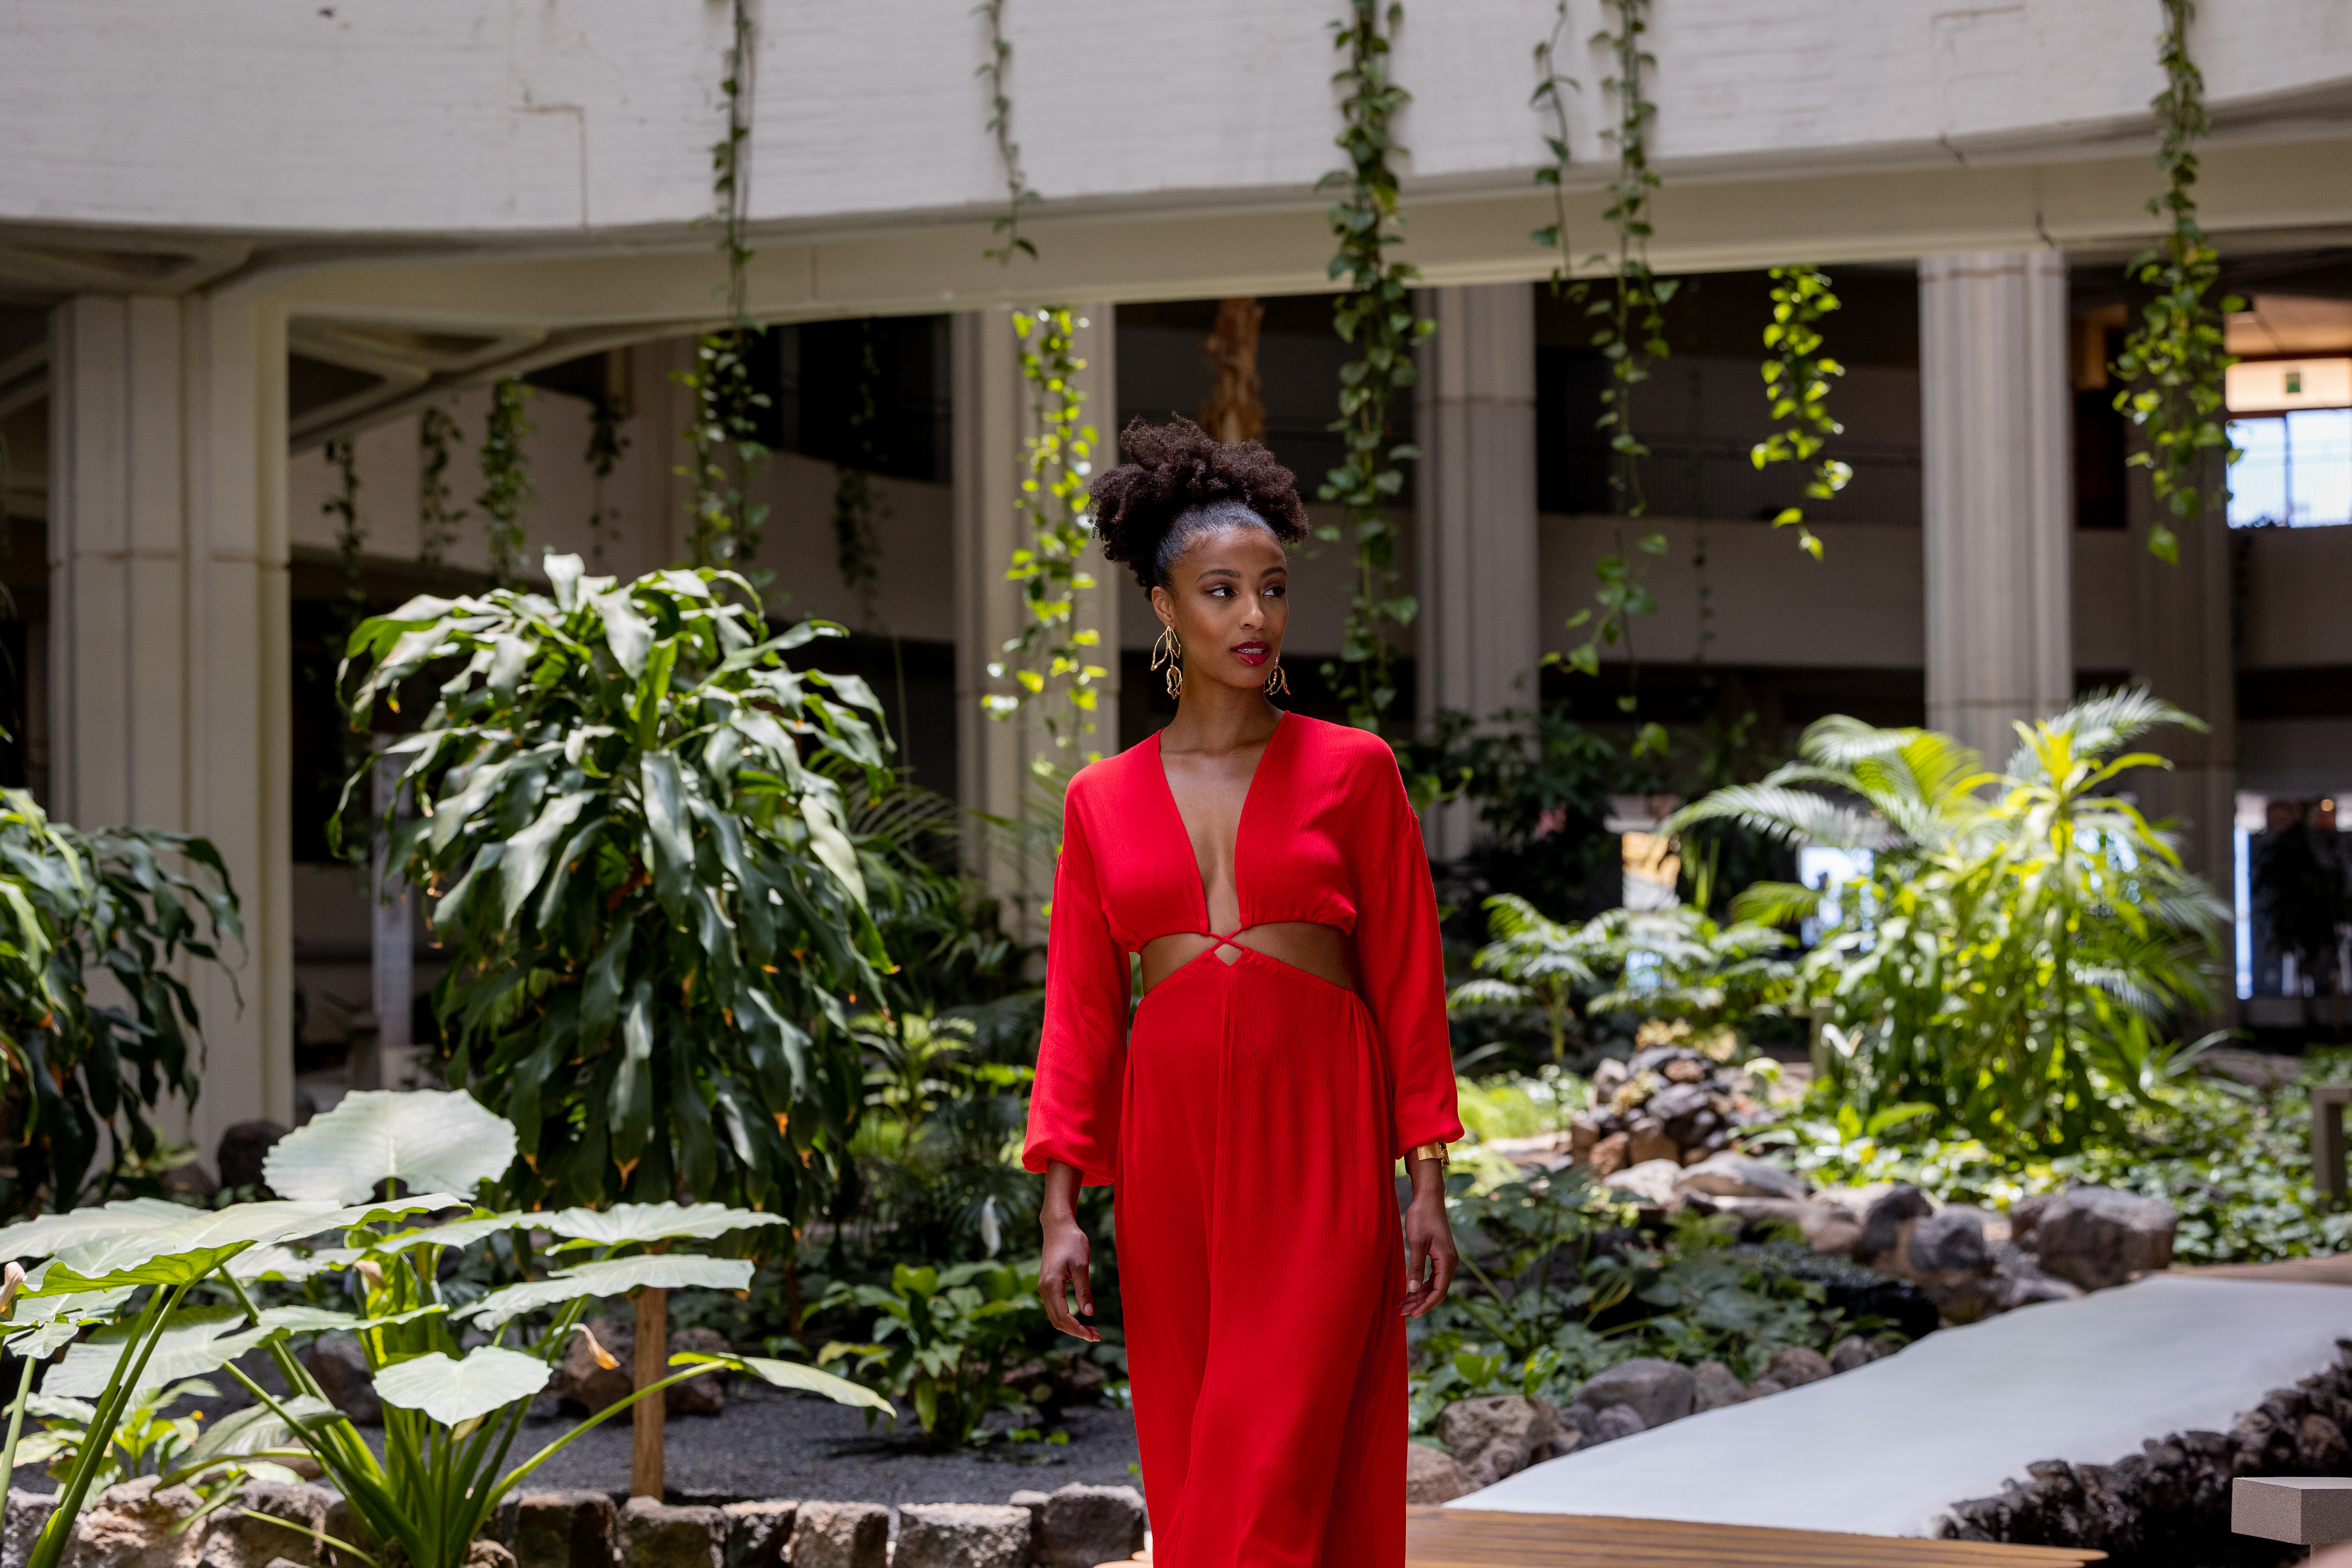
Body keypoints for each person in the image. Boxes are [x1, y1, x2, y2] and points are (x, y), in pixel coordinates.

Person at [1024, 417, 1463, 1566]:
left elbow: (1409, 979)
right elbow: (1080, 1013)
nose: (1255, 616)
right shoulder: (1099, 800)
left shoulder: (1356, 769)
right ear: (1166, 608)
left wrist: (1428, 1176)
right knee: (1197, 1445)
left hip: (1321, 1129)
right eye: (1222, 591)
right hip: (1172, 1150)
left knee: (1269, 1447)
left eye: (1272, 588)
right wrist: (1062, 1206)